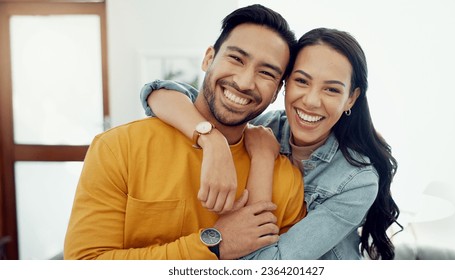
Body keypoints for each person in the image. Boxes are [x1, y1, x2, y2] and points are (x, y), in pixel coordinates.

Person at [64, 4, 306, 260]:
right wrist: (213, 245)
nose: (245, 82)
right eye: (236, 58)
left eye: (266, 73)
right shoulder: (119, 148)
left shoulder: (284, 179)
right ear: (208, 58)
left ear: (277, 91)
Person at [140, 28, 401, 259]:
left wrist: (263, 159)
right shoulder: (268, 125)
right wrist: (211, 139)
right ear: (283, 85)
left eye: (331, 89)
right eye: (302, 81)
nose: (311, 101)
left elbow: (268, 265)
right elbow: (161, 92)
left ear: (351, 99)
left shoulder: (357, 180)